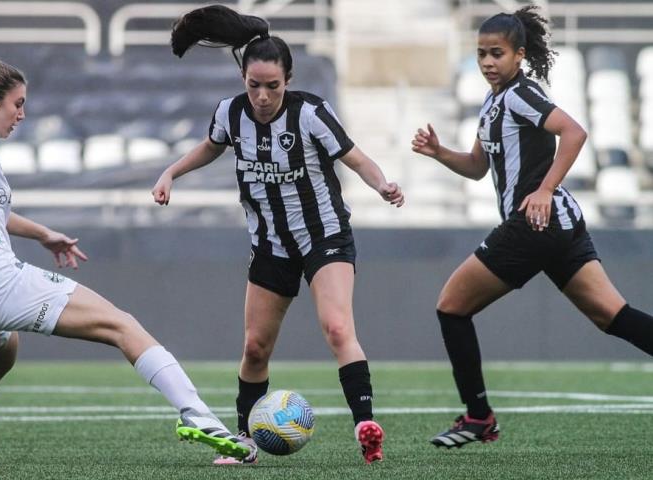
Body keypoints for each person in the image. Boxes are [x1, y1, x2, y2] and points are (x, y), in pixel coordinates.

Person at [0, 59, 251, 464]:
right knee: (122, 324)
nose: (22, 115)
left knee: (0, 355)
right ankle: (199, 416)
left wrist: (44, 234)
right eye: (17, 104)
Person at [152, 4, 405, 465]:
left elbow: (356, 158)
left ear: (287, 80)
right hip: (269, 245)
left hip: (323, 237)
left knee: (336, 326)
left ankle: (365, 427)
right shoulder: (230, 114)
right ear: (243, 79)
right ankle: (245, 443)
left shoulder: (310, 113)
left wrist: (383, 184)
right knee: (254, 347)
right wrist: (170, 173)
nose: (263, 96)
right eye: (254, 85)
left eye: (273, 86)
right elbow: (209, 148)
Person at [412, 5, 653, 449]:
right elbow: (478, 167)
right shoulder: (492, 102)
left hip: (535, 223)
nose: (487, 62)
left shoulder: (520, 93)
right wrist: (439, 152)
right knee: (612, 316)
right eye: (482, 53)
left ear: (519, 55)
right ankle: (479, 417)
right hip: (558, 223)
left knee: (451, 306)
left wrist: (542, 189)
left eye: (497, 53)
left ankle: (479, 418)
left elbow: (574, 132)